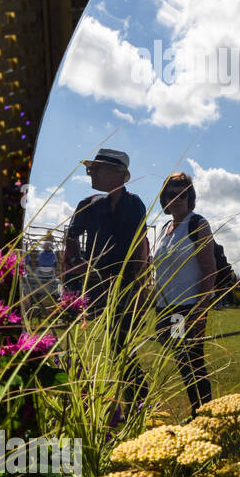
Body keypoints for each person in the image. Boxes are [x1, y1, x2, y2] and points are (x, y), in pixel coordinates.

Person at [63, 148, 150, 412]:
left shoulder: (134, 204)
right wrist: (76, 265)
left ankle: (136, 398)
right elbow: (71, 238)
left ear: (119, 175)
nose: (91, 173)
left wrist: (140, 285)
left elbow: (141, 247)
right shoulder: (88, 204)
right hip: (95, 287)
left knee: (121, 344)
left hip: (125, 287)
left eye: (97, 168)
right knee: (94, 346)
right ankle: (102, 402)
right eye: (91, 169)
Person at [151, 172, 216, 416]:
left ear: (190, 196)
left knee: (191, 361)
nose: (177, 197)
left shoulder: (197, 224)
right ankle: (201, 411)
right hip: (163, 307)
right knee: (182, 359)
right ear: (164, 198)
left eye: (183, 193)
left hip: (186, 307)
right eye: (171, 193)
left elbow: (210, 268)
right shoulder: (164, 229)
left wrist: (201, 308)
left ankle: (203, 413)